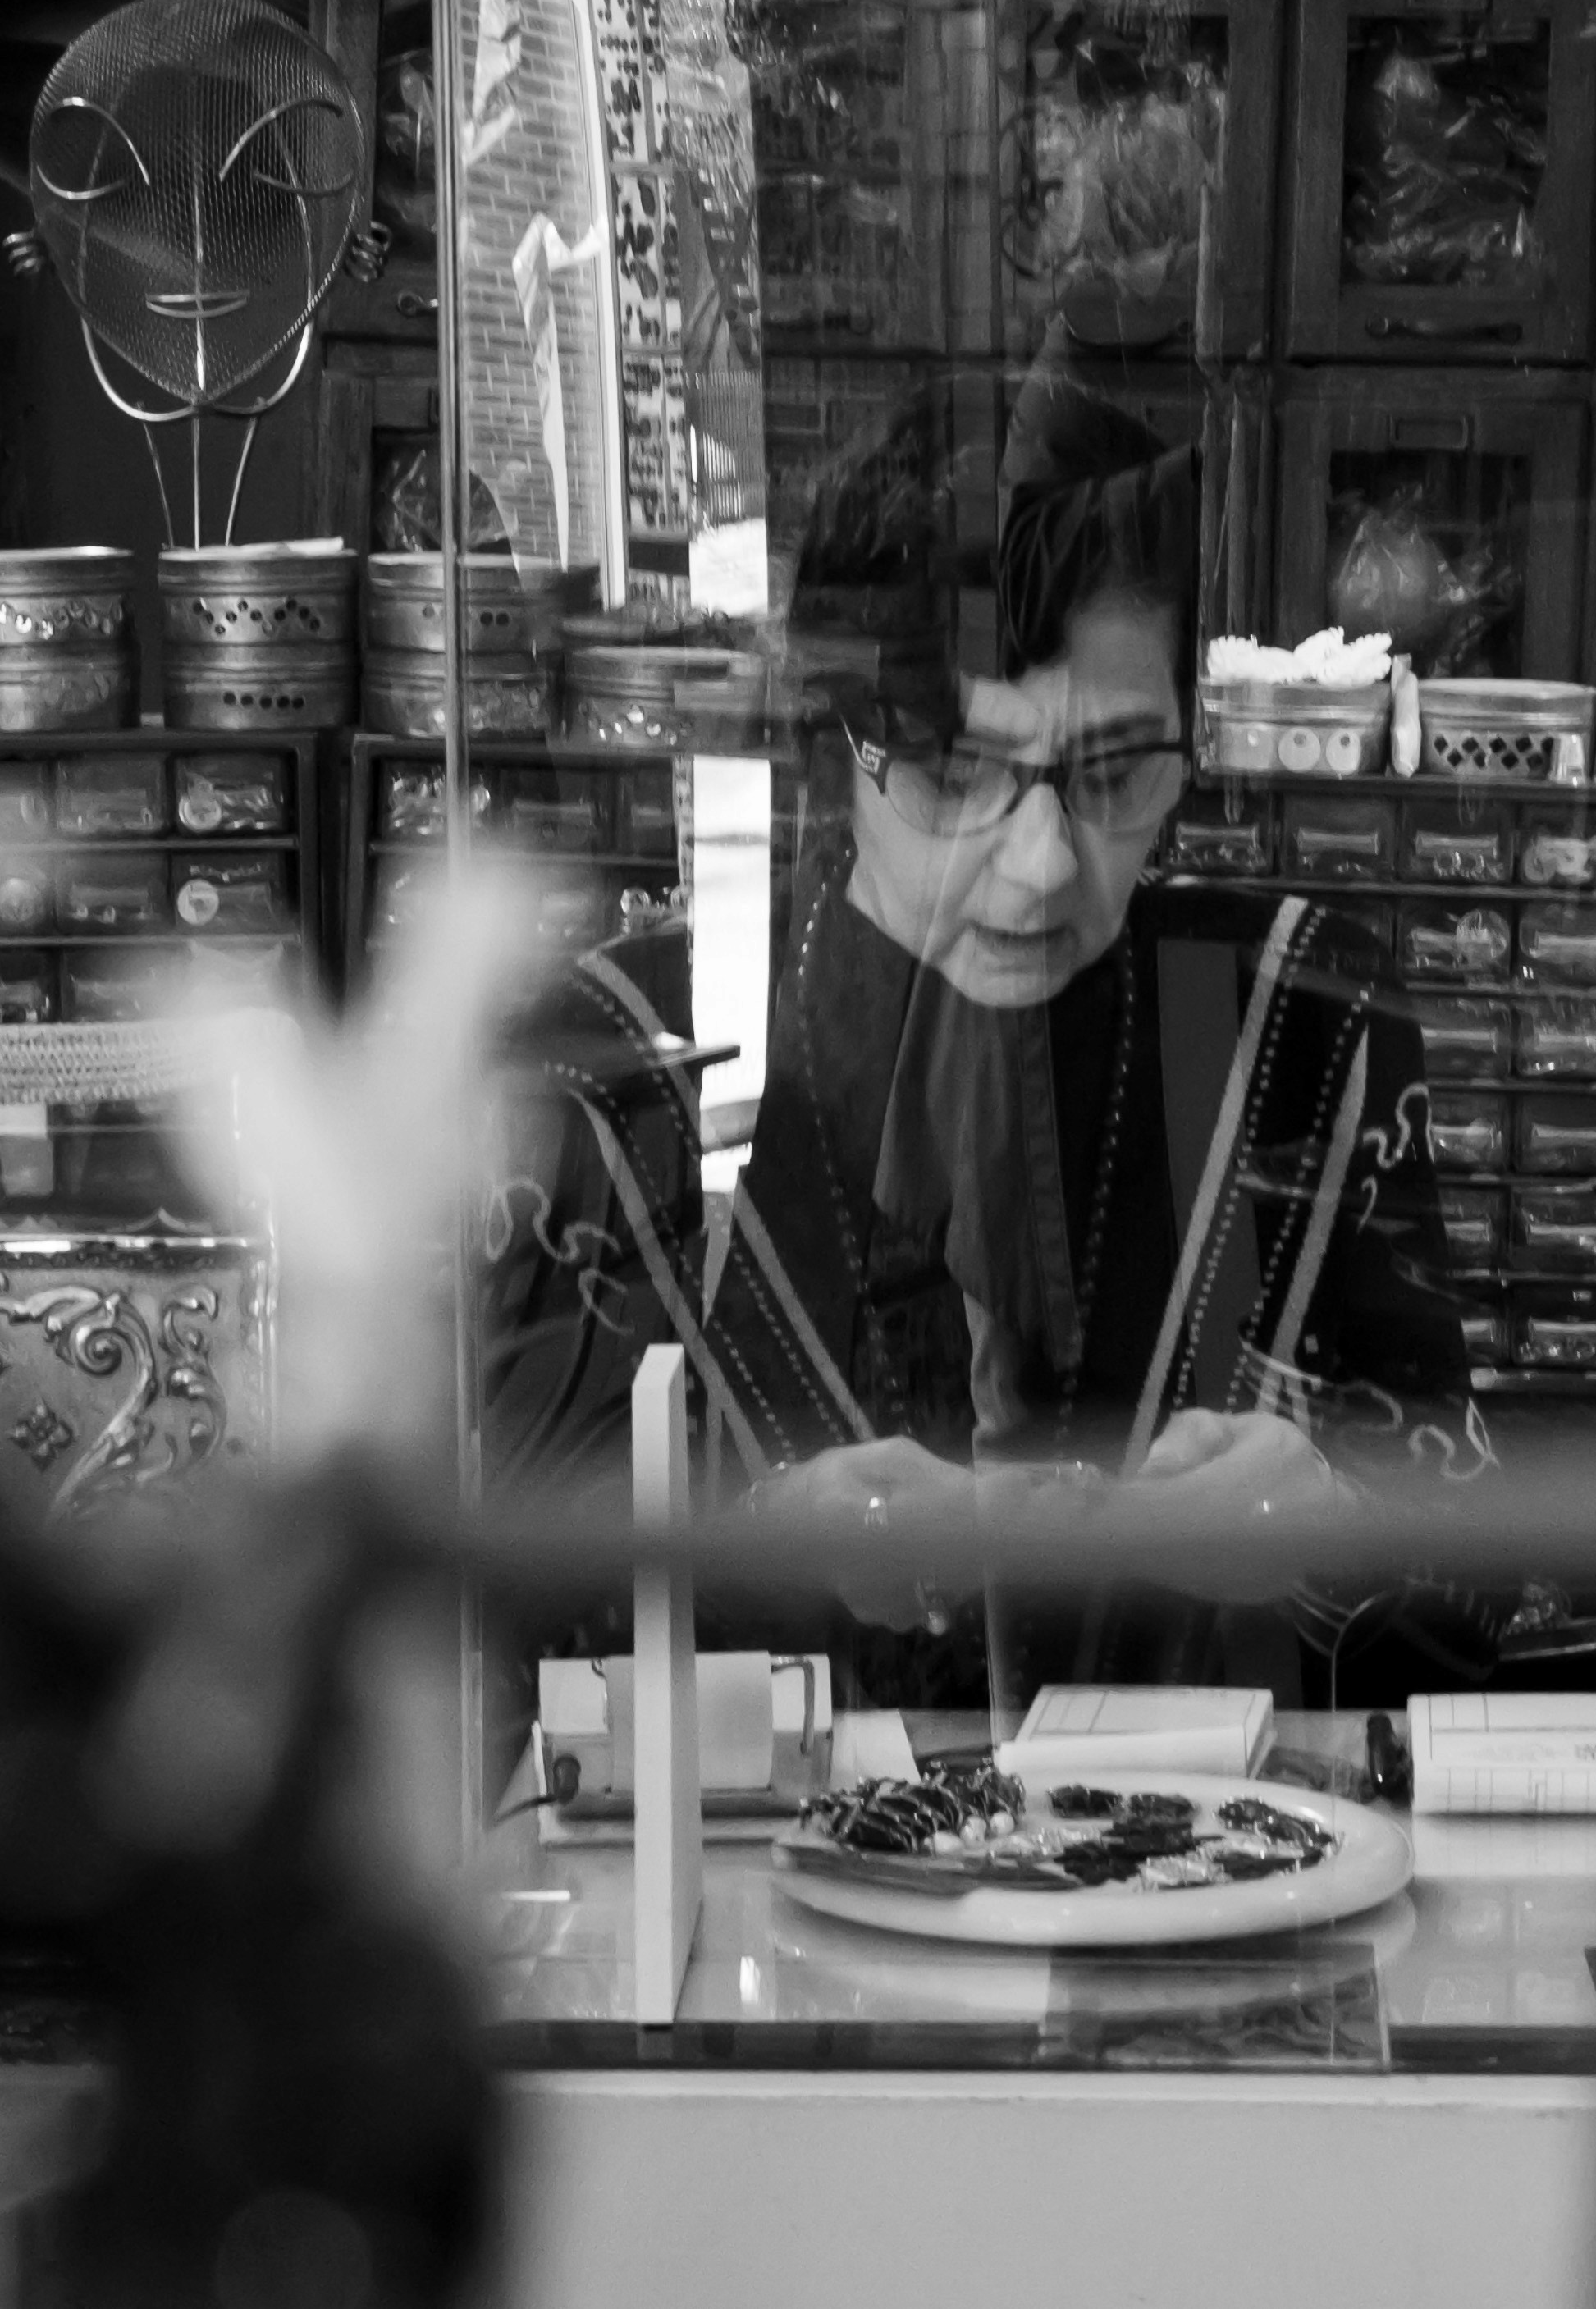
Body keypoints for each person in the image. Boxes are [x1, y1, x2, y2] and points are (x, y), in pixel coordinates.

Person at [474, 359, 1484, 1699]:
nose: (1044, 867)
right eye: (957, 772)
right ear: (830, 754)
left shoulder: (1301, 1035)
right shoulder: (620, 1072)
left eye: (1117, 770)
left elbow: (1469, 1598)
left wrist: (1335, 1527)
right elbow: (481, 1609)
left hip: (1203, 1884)